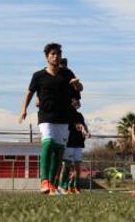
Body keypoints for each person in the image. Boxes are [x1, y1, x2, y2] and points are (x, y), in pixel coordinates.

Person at [19, 42, 81, 195]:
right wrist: (23, 110)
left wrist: (77, 84)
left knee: (58, 151)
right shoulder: (38, 75)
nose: (56, 56)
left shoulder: (67, 73)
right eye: (53, 54)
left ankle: (52, 183)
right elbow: (29, 93)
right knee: (47, 144)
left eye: (58, 53)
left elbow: (79, 92)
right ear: (47, 57)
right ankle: (44, 180)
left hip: (63, 117)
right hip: (46, 116)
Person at [59, 99, 90, 194]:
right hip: (69, 142)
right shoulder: (66, 113)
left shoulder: (79, 115)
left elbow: (83, 125)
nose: (77, 102)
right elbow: (76, 125)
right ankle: (62, 186)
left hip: (78, 142)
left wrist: (87, 132)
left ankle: (75, 186)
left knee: (77, 166)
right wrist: (78, 126)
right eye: (75, 100)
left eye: (78, 101)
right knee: (67, 164)